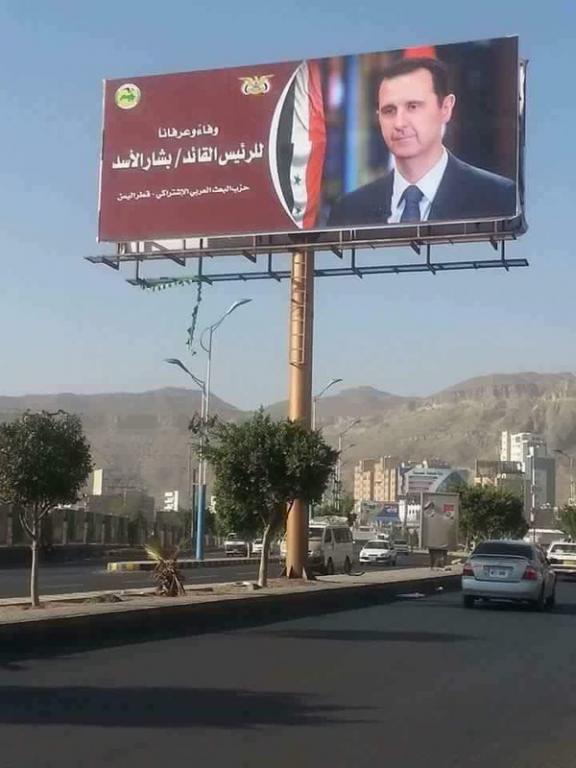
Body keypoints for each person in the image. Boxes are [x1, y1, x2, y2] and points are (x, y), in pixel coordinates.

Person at [328, 57, 516, 227]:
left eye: (413, 107)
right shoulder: (347, 211)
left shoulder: (500, 198)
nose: (399, 123)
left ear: (446, 108)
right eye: (389, 111)